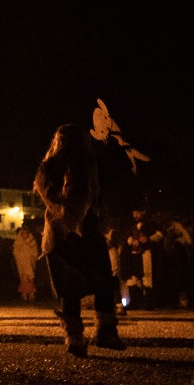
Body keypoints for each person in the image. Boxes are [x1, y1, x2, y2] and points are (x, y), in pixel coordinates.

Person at [34, 123, 126, 357]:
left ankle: (74, 339)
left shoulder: (46, 167)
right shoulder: (84, 161)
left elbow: (53, 196)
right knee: (103, 280)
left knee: (69, 289)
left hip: (57, 234)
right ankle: (105, 333)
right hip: (83, 230)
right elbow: (82, 195)